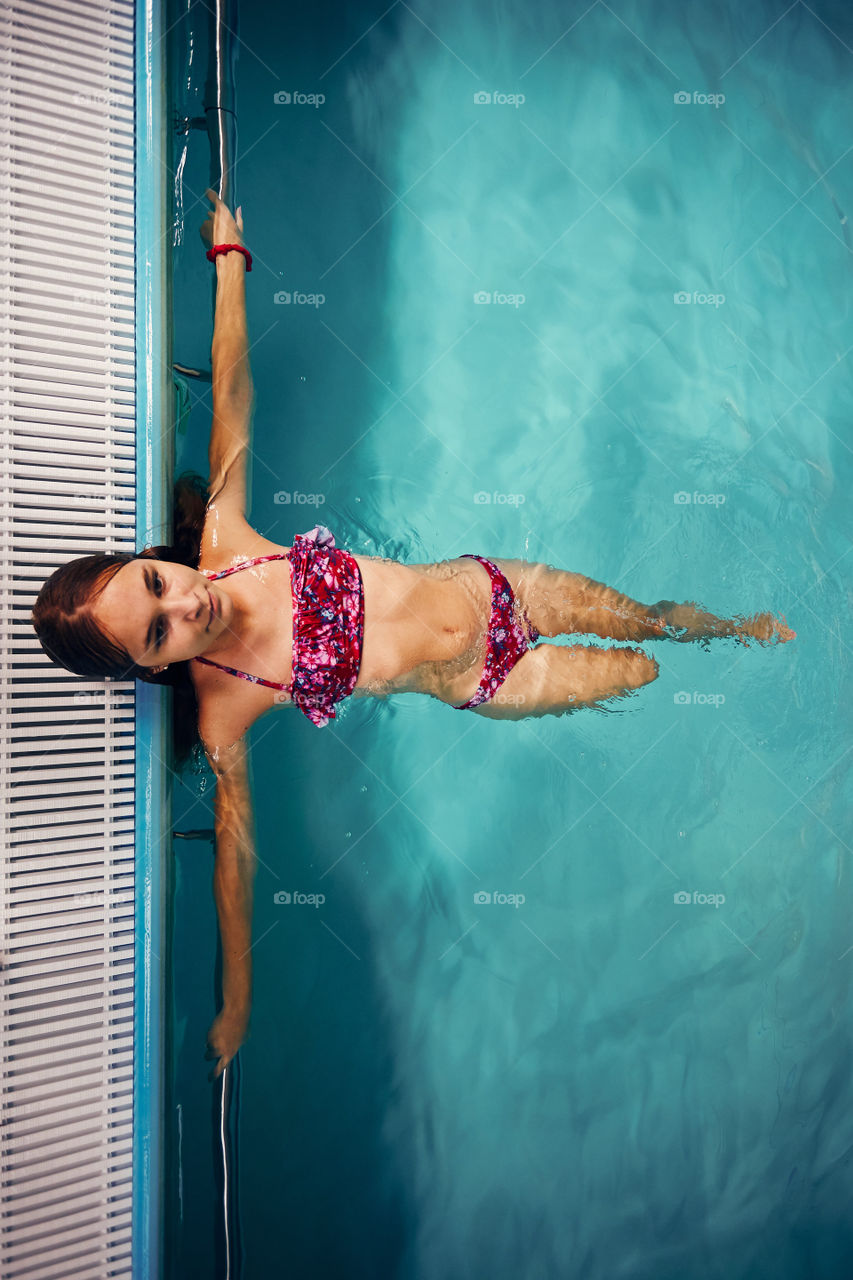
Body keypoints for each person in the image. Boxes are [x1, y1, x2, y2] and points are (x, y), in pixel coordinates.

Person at [30, 190, 795, 1079]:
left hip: (494, 585)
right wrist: (236, 1004)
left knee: (653, 623)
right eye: (158, 633)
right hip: (485, 684)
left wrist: (228, 259)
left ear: (157, 559)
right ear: (154, 666)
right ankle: (708, 663)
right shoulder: (224, 711)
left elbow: (229, 387)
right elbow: (234, 863)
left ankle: (737, 631)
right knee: (636, 677)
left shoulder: (228, 543)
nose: (182, 608)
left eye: (156, 585)